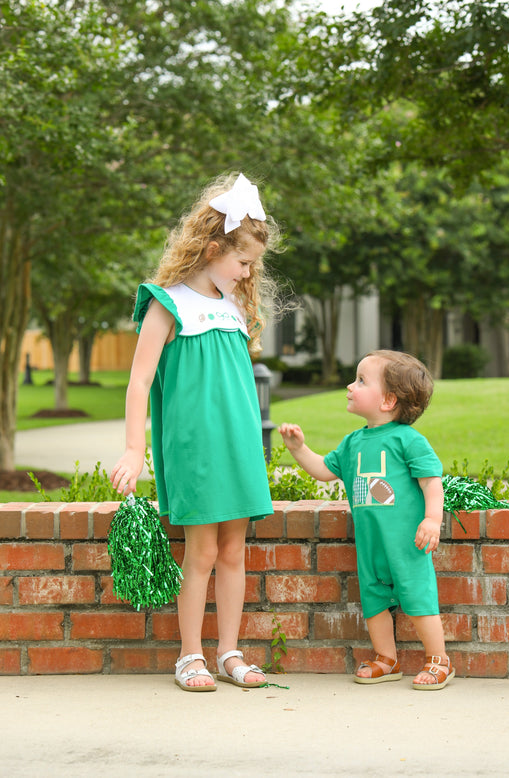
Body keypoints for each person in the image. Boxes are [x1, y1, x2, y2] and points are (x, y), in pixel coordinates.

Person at [111, 172, 280, 692]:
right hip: (196, 448)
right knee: (201, 552)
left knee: (234, 550)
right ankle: (191, 655)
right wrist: (134, 451)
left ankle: (229, 651)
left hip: (238, 445)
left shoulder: (233, 307)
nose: (249, 273)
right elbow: (139, 380)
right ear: (212, 247)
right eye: (243, 261)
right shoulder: (168, 302)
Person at [279, 350, 454, 690]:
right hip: (370, 545)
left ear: (388, 400)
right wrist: (298, 448)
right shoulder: (352, 443)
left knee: (417, 598)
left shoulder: (408, 441)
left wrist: (432, 519)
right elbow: (323, 470)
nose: (350, 385)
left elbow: (432, 481)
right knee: (373, 600)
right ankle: (386, 658)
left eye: (361, 380)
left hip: (407, 543)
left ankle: (439, 660)